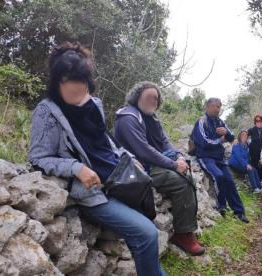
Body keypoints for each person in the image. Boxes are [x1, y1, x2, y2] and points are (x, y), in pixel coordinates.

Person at [28, 43, 165, 275]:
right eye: (67, 80)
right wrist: (76, 167)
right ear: (57, 81)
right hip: (94, 194)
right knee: (146, 233)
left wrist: (128, 156)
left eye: (80, 79)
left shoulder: (95, 104)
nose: (75, 87)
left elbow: (105, 141)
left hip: (121, 181)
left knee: (145, 231)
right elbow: (38, 157)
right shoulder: (47, 111)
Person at [113, 81, 204, 256]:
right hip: (137, 168)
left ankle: (187, 230)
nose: (153, 101)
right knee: (181, 182)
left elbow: (164, 142)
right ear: (136, 97)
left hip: (152, 164)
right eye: (148, 97)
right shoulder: (128, 118)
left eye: (156, 98)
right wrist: (173, 165)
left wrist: (178, 155)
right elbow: (143, 150)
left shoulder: (152, 119)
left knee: (188, 176)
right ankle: (183, 235)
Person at [192, 98, 249, 223]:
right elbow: (203, 142)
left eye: (218, 106)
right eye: (213, 106)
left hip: (219, 157)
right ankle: (221, 206)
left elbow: (232, 137)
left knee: (230, 181)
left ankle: (239, 212)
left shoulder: (220, 121)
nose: (216, 109)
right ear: (207, 107)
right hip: (205, 157)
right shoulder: (201, 122)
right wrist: (220, 140)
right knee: (218, 175)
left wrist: (226, 133)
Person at [247, 115, 262, 181]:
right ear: (255, 122)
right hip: (253, 152)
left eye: (260, 120)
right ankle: (255, 183)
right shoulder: (251, 130)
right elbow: (244, 136)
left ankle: (259, 182)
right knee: (254, 167)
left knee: (260, 167)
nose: (258, 122)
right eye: (256, 121)